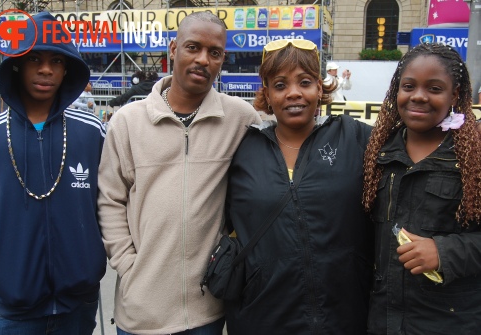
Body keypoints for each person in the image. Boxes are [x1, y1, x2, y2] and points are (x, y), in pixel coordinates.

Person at [97, 11, 261, 335]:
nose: (203, 59)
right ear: (173, 49)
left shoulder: (240, 119)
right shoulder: (128, 123)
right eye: (193, 47)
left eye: (214, 53)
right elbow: (110, 200)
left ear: (222, 59)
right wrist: (129, 266)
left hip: (207, 312)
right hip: (140, 314)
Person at [223, 39, 373, 334]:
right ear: (266, 93)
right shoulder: (241, 148)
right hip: (262, 318)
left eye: (304, 82)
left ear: (319, 87)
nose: (293, 93)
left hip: (346, 317)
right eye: (280, 85)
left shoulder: (356, 138)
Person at [0, 12, 106, 334]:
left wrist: (89, 259)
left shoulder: (92, 132)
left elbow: (111, 202)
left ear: (68, 69)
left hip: (80, 302)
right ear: (17, 64)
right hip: (15, 307)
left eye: (57, 61)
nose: (46, 69)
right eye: (34, 58)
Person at [363, 43, 481, 334]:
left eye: (435, 88)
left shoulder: (474, 156)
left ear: (454, 95)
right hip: (383, 319)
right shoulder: (377, 153)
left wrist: (444, 251)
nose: (418, 96)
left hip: (449, 321)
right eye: (409, 86)